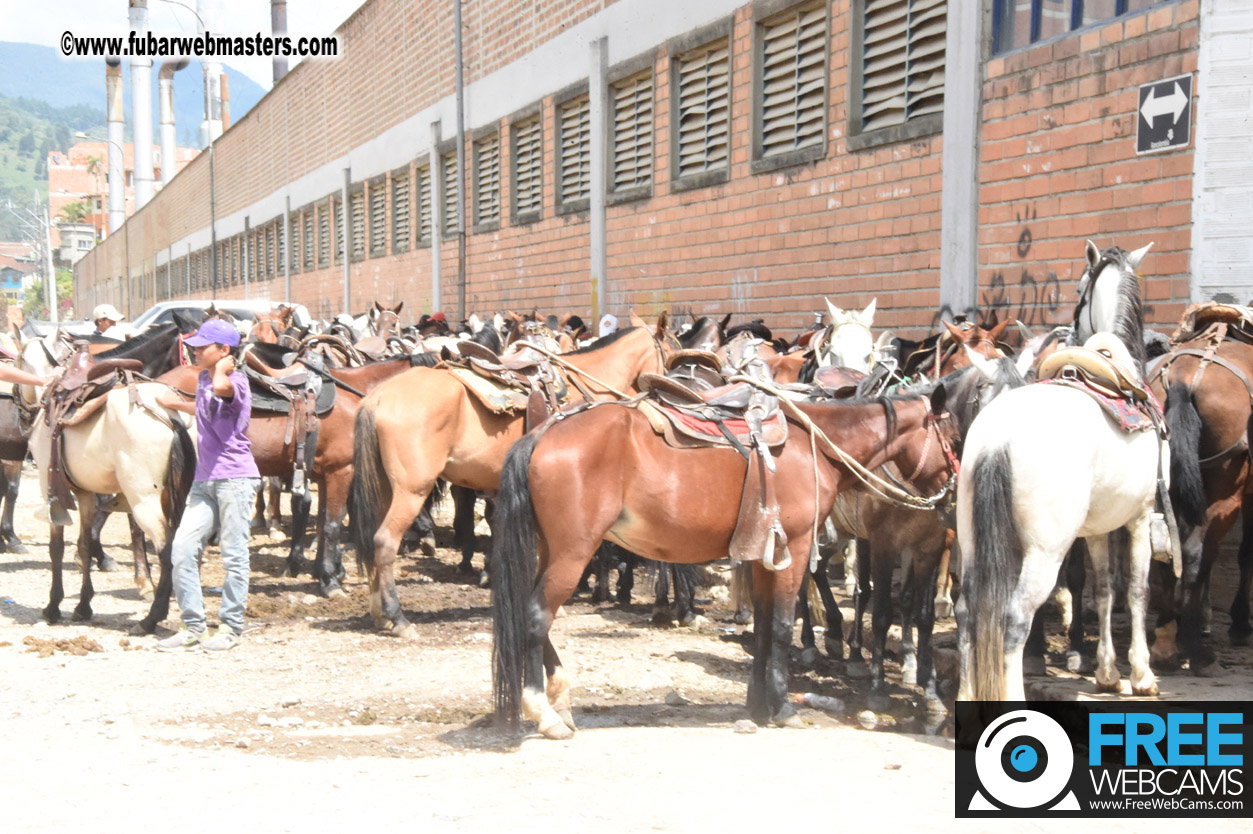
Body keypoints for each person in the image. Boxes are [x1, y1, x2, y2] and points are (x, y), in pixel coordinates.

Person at [155, 319, 261, 652]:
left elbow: (222, 391)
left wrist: (224, 370)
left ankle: (230, 628)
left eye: (202, 347)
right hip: (205, 481)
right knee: (182, 550)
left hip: (235, 480)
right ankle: (193, 627)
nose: (195, 351)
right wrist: (175, 405)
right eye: (195, 346)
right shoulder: (204, 378)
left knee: (234, 557)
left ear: (225, 351)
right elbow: (205, 406)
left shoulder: (236, 382)